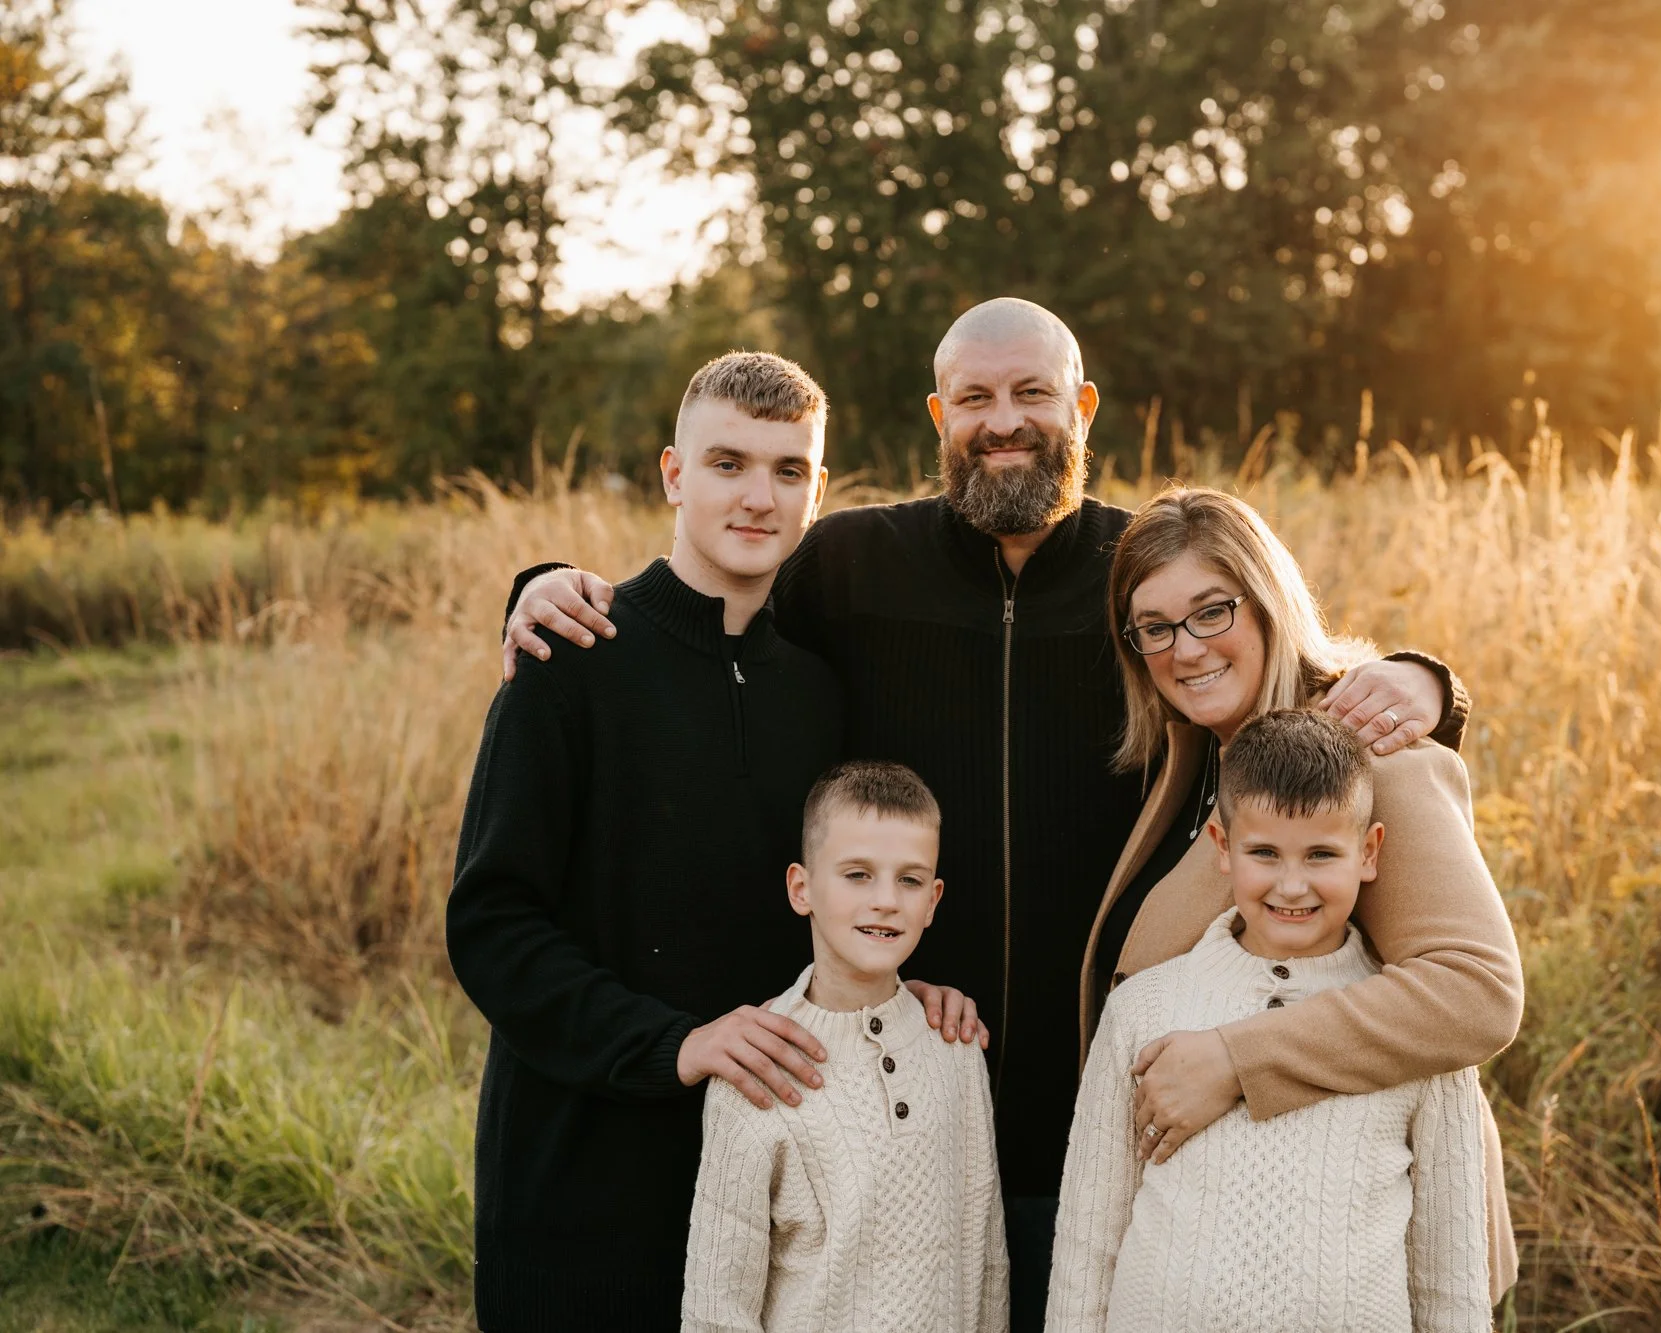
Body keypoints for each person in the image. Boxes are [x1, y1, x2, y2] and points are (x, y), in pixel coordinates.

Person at [496, 299, 1468, 1324]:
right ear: (939, 415)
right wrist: (545, 588)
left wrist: (1428, 685)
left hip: (1115, 1118)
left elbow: (1281, 667)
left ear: (1082, 406)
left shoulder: (1141, 572)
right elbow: (704, 626)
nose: (1003, 421)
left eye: (1032, 393)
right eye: (974, 398)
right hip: (903, 1116)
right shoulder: (849, 565)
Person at [446, 353, 976, 1331]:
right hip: (580, 1185)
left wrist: (904, 986)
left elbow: (840, 894)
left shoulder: (817, 692)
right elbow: (492, 926)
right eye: (727, 463)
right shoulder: (570, 657)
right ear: (673, 474)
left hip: (769, 1190)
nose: (757, 496)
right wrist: (674, 1043)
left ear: (817, 489)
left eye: (787, 470)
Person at [1081, 486, 1521, 1301]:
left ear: (1267, 601)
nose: (1186, 648)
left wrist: (1237, 1058)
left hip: (1351, 1254)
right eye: (1156, 627)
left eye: (1212, 611)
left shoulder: (1369, 751)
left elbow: (1477, 990)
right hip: (1208, 1255)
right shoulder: (1191, 755)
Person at [1048, 709, 1490, 1332]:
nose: (1291, 885)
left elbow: (1450, 1278)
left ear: (1368, 852)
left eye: (1321, 854)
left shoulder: (1417, 1028)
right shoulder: (1143, 1008)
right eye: (1264, 853)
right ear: (1223, 849)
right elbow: (1088, 1244)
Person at [683, 761, 1007, 1333]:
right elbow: (717, 1310)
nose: (886, 900)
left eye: (909, 880)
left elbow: (986, 1263)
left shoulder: (955, 1049)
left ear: (933, 901)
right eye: (858, 874)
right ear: (801, 888)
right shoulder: (755, 1063)